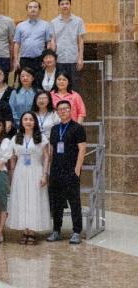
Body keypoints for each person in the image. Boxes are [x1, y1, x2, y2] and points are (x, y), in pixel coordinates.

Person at [7, 111, 52, 245]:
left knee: (34, 199)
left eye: (31, 119)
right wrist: (12, 175)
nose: (28, 122)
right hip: (20, 171)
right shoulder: (15, 138)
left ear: (35, 122)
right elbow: (12, 158)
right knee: (22, 200)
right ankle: (25, 230)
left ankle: (31, 231)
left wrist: (44, 174)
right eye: (25, 119)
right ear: (21, 122)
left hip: (36, 170)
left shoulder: (41, 138)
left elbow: (46, 157)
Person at [47, 100, 86, 245]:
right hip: (56, 170)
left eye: (65, 108)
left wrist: (77, 169)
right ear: (57, 112)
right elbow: (51, 150)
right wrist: (49, 169)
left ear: (70, 110)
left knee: (74, 202)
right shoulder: (54, 129)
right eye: (60, 109)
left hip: (71, 170)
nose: (63, 111)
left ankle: (76, 232)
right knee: (56, 202)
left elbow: (82, 149)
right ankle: (56, 230)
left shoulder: (77, 128)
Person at [51, 0, 86, 84]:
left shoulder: (78, 21)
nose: (65, 6)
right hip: (59, 59)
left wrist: (80, 58)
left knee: (74, 85)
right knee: (60, 85)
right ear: (59, 6)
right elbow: (53, 41)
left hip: (73, 59)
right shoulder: (53, 22)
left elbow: (80, 41)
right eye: (62, 4)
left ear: (70, 5)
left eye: (67, 3)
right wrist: (52, 59)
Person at [13, 0, 55, 76]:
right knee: (24, 80)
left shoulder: (46, 25)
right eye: (30, 7)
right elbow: (17, 44)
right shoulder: (20, 26)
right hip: (24, 59)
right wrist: (15, 60)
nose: (32, 9)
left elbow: (48, 43)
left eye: (35, 7)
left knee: (39, 81)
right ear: (27, 10)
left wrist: (46, 59)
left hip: (40, 60)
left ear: (39, 10)